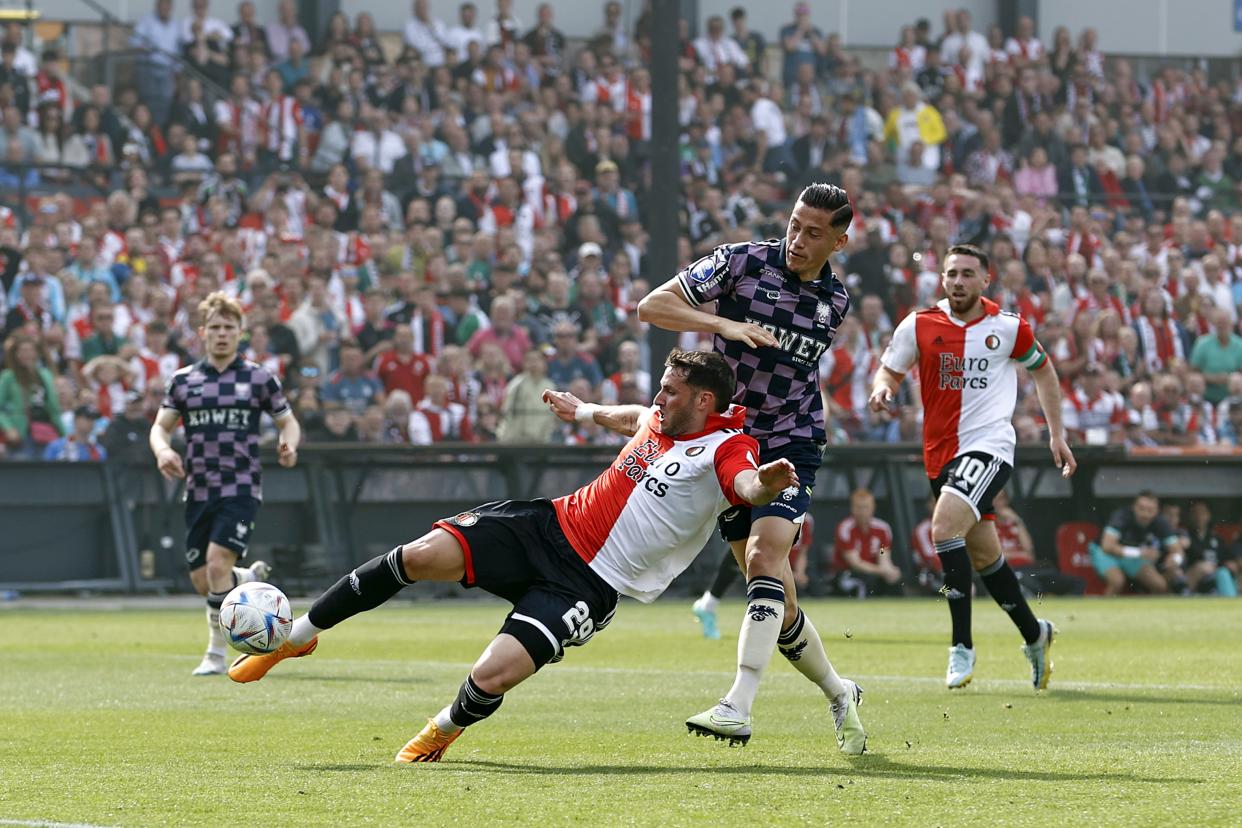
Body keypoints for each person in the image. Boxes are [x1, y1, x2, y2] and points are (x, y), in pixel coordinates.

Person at [226, 350, 809, 762]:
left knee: (491, 674)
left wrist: (767, 482)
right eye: (661, 385)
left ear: (705, 401)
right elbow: (632, 415)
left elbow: (746, 487)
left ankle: (440, 731)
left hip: (586, 585)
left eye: (672, 390)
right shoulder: (660, 416)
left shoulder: (729, 446)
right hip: (545, 524)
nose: (660, 395)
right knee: (420, 555)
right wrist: (582, 412)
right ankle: (295, 635)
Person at [638, 183, 865, 753]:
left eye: (814, 233)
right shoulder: (741, 262)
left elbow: (797, 377)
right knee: (776, 595)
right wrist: (724, 326)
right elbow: (652, 306)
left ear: (839, 240)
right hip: (731, 444)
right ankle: (841, 693)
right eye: (794, 225)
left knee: (767, 558)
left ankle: (737, 704)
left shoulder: (836, 300)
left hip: (793, 441)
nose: (798, 239)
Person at [869, 243, 1077, 691]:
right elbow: (889, 370)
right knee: (984, 555)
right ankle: (1034, 633)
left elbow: (1044, 371)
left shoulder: (1008, 327)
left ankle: (961, 644)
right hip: (938, 454)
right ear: (941, 279)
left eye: (967, 273)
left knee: (943, 529)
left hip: (990, 446)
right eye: (951, 274)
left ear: (986, 279)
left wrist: (1057, 433)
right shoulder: (920, 323)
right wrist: (882, 390)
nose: (958, 281)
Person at [149, 292, 301, 676]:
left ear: (240, 332)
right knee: (204, 580)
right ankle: (245, 579)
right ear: (202, 333)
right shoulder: (184, 381)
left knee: (217, 563)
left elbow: (287, 420)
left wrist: (289, 444)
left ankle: (216, 653)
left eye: (228, 327)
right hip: (198, 489)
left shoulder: (258, 377)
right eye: (214, 327)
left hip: (241, 485)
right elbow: (159, 428)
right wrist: (163, 451)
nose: (221, 334)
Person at [1089, 492, 1179, 596]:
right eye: (1141, 508)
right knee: (1117, 581)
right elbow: (1107, 546)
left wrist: (1175, 559)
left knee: (1159, 585)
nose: (1145, 514)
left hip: (1131, 556)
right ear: (1134, 507)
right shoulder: (1121, 516)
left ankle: (1147, 611)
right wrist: (1139, 553)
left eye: (1150, 510)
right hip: (1105, 553)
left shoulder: (1160, 522)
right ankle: (1104, 610)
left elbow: (1177, 549)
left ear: (1156, 511)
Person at [832, 488, 901, 598]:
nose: (862, 512)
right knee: (865, 581)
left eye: (866, 507)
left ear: (873, 507)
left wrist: (889, 569)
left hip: (875, 572)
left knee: (895, 579)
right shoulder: (845, 528)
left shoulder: (882, 529)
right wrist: (881, 571)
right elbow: (855, 563)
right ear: (852, 508)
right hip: (848, 573)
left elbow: (883, 553)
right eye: (859, 507)